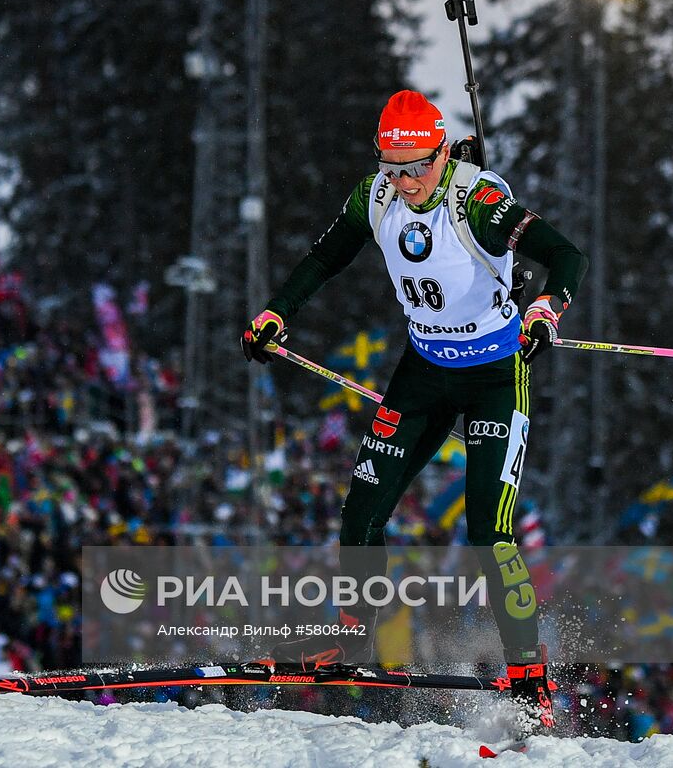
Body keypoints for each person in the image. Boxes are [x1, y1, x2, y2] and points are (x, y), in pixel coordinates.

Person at [242, 90, 587, 730]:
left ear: (442, 153)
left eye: (417, 168)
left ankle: (528, 674)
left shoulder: (476, 201)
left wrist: (546, 309)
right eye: (391, 167)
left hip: (492, 374)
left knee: (488, 531)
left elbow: (566, 256)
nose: (402, 183)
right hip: (424, 370)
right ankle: (353, 637)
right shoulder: (374, 196)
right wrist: (276, 312)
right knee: (362, 511)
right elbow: (325, 257)